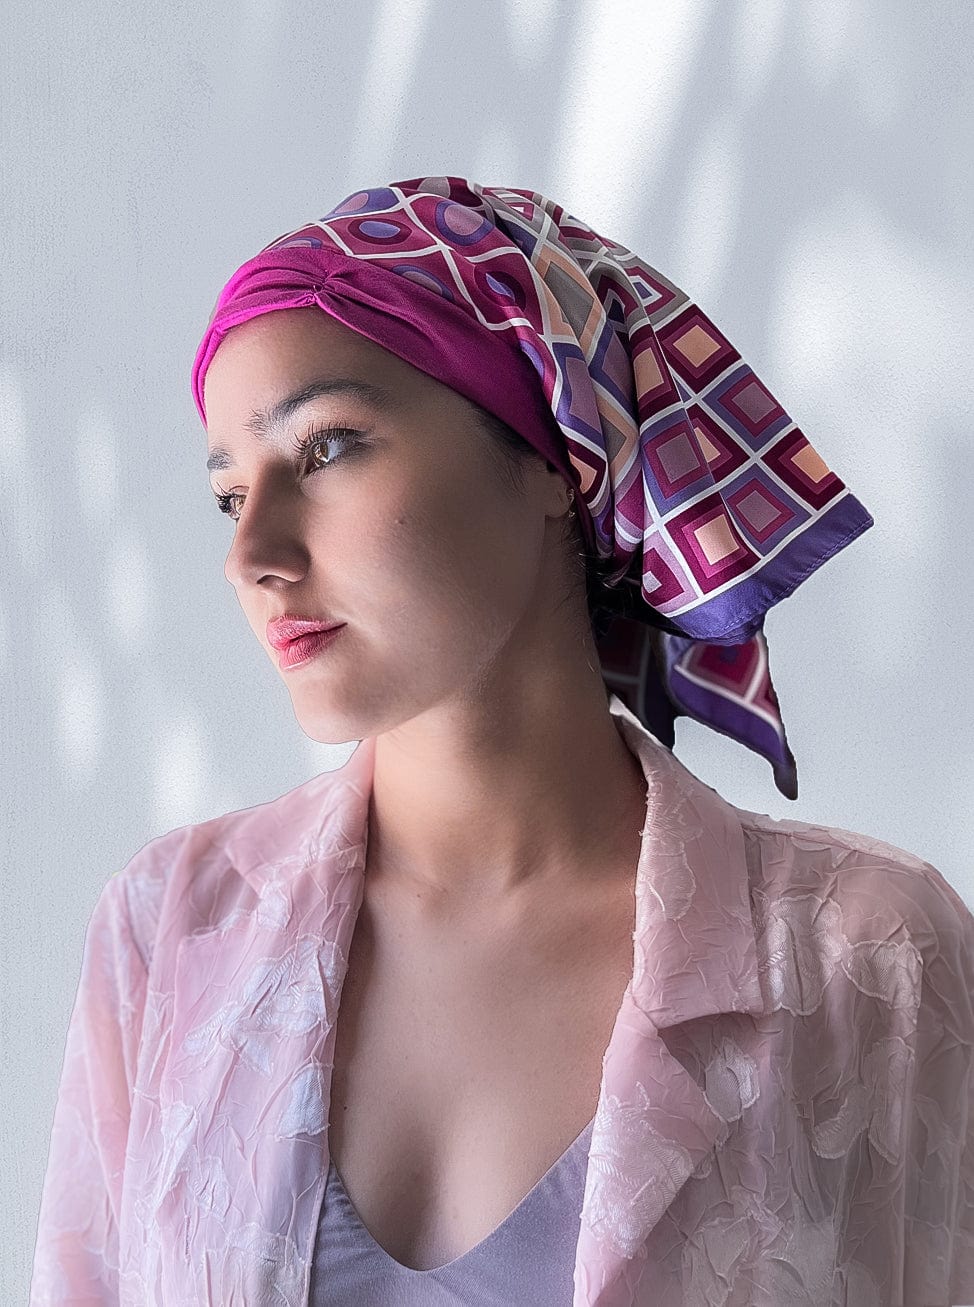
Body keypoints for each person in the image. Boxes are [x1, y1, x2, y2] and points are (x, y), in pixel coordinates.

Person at [29, 177, 974, 1306]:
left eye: (326, 448)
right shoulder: (171, 930)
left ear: (551, 453)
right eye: (231, 495)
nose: (256, 554)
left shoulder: (864, 956)